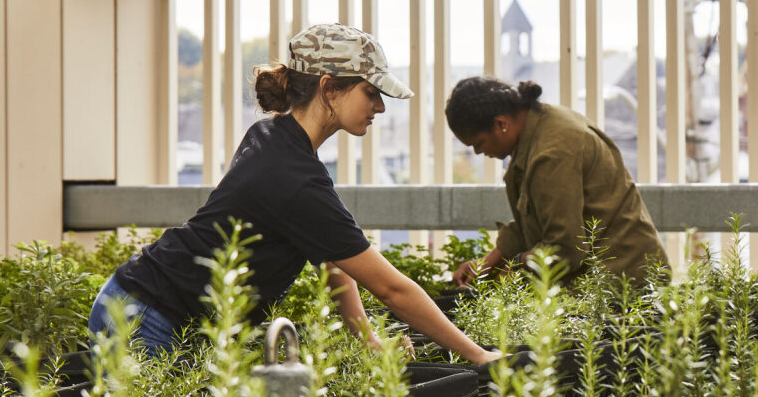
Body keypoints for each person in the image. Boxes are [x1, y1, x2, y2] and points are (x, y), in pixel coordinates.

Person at [88, 23, 499, 364]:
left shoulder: (275, 137)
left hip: (151, 303)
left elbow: (333, 259)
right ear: (329, 88)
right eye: (371, 93)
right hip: (143, 315)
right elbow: (393, 290)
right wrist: (480, 358)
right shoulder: (293, 175)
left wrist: (366, 336)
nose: (380, 107)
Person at [446, 77, 667, 287]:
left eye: (478, 143)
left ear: (501, 124)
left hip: (622, 283)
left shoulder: (552, 153)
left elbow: (565, 249)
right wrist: (488, 262)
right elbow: (536, 216)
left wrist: (515, 264)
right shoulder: (540, 126)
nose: (477, 152)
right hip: (603, 276)